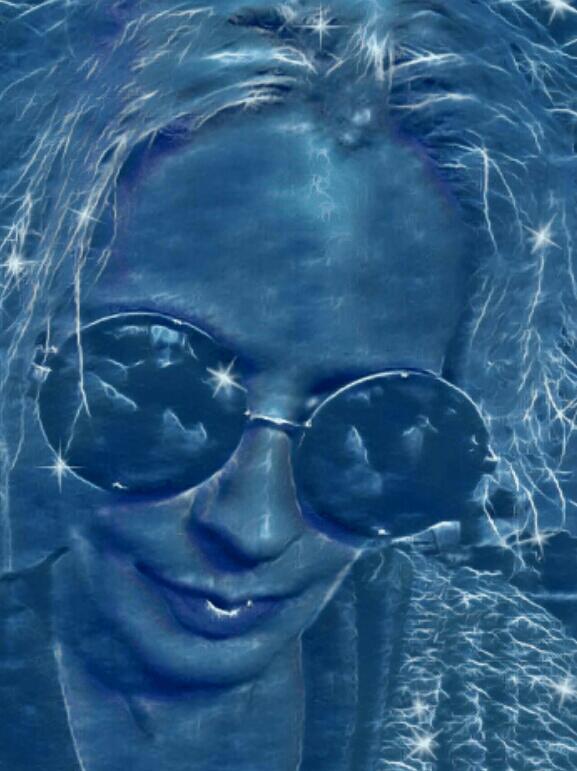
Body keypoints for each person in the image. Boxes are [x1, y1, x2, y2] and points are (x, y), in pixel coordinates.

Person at [2, 1, 577, 770]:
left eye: (373, 428)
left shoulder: (517, 702)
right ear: (40, 336)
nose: (256, 527)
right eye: (163, 388)